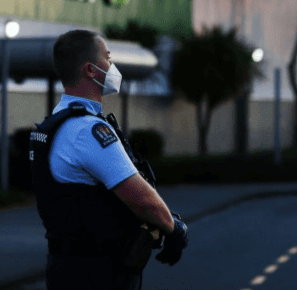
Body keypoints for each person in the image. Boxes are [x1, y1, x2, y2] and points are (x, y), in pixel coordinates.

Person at [29, 29, 188, 290]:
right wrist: (174, 228)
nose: (113, 66)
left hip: (69, 269)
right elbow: (144, 201)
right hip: (98, 274)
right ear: (90, 70)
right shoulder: (87, 131)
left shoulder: (58, 121)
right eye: (108, 58)